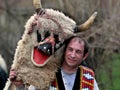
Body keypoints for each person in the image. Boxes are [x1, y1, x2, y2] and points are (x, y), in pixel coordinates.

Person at [9, 36, 99, 90]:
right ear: (65, 50)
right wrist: (19, 84)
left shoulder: (89, 77)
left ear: (85, 55)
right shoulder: (47, 73)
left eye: (78, 52)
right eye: (70, 50)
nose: (72, 55)